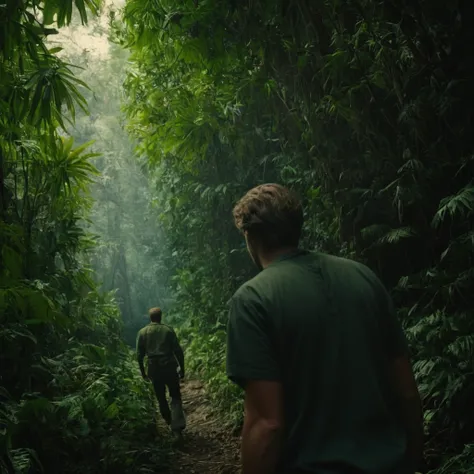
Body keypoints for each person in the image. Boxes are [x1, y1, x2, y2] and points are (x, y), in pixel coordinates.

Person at [226, 184, 423, 474]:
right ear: (297, 225)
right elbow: (406, 391)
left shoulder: (253, 299)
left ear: (250, 237)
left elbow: (268, 424)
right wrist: (414, 462)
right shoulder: (362, 277)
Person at [136, 307, 186, 436]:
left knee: (161, 397)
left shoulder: (142, 332)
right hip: (169, 366)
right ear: (160, 317)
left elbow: (139, 355)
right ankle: (177, 427)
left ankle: (169, 422)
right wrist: (182, 368)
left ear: (150, 317)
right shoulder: (167, 330)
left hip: (154, 368)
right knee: (175, 395)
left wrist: (143, 373)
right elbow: (178, 351)